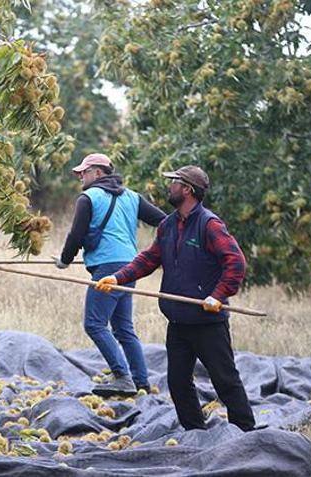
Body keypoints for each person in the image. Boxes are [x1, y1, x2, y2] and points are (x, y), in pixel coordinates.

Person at [94, 165, 256, 431]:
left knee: (225, 380)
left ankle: (247, 434)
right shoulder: (168, 225)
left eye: (174, 183)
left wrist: (218, 295)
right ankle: (195, 433)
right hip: (178, 322)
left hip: (207, 322)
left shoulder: (209, 225)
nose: (168, 186)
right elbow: (149, 259)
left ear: (187, 190)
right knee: (178, 383)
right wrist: (118, 278)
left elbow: (236, 263)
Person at [54, 153, 166, 397]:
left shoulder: (88, 198)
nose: (80, 176)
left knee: (94, 324)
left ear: (98, 172)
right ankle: (141, 382)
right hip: (130, 266)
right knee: (123, 327)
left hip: (107, 269)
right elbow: (164, 221)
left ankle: (122, 377)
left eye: (84, 171)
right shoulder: (133, 197)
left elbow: (76, 235)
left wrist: (64, 260)